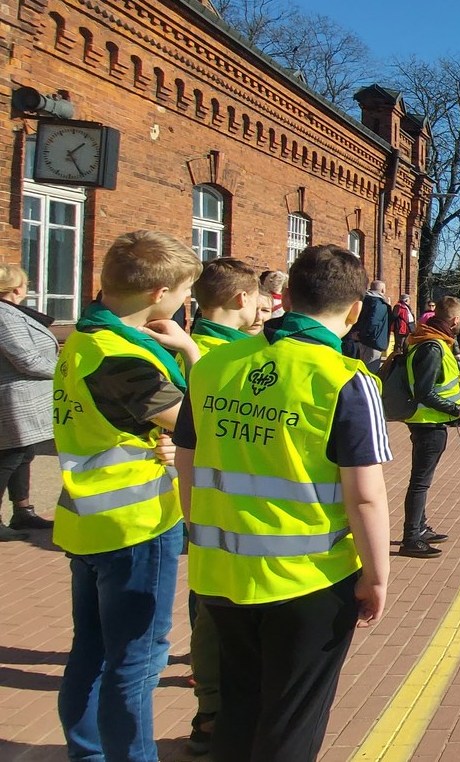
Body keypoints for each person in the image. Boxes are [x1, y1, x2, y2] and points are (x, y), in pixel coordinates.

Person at [174, 244, 391, 761]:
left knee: (238, 707)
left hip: (220, 572)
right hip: (308, 581)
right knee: (291, 719)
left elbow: (186, 464)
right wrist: (376, 576)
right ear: (356, 310)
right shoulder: (346, 381)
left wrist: (202, 531)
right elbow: (366, 497)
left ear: (286, 297)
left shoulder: (212, 366)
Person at [54, 231, 202, 761]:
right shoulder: (122, 359)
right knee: (136, 661)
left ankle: (88, 753)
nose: (187, 303)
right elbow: (197, 419)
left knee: (90, 652)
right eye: (185, 291)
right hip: (134, 522)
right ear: (159, 293)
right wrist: (190, 351)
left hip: (87, 516)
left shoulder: (84, 340)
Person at [180, 256, 261, 754]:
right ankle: (212, 717)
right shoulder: (213, 355)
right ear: (238, 299)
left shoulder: (217, 349)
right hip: (210, 510)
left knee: (211, 614)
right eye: (256, 298)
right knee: (215, 619)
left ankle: (216, 708)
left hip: (213, 507)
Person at [400, 296, 460, 557]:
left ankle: (419, 527)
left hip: (430, 421)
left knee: (421, 480)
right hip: (428, 422)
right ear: (454, 320)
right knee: (420, 482)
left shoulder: (430, 340)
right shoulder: (433, 347)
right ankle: (411, 537)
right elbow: (424, 391)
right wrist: (457, 408)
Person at [0, 263, 59, 540]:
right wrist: (64, 370)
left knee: (23, 453)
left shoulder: (11, 312)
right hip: (14, 396)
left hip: (24, 396)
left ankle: (22, 511)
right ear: (16, 288)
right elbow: (26, 359)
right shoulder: (4, 314)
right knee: (9, 456)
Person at [346, 279, 391, 371]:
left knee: (360, 366)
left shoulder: (362, 300)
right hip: (373, 341)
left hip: (360, 339)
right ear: (382, 290)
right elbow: (373, 322)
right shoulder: (379, 304)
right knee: (370, 369)